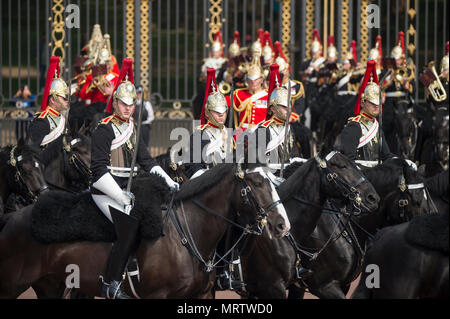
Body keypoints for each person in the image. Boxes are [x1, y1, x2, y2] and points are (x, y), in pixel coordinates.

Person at [90, 58, 179, 299]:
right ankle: (110, 283)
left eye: (131, 104)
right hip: (105, 191)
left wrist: (168, 181)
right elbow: (97, 171)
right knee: (128, 227)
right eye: (123, 104)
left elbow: (146, 162)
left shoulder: (132, 127)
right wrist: (120, 196)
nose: (128, 108)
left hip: (128, 187)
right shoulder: (104, 129)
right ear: (115, 103)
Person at [334, 60, 394, 164]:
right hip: (360, 176)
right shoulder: (354, 126)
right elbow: (348, 161)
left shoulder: (376, 125)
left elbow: (386, 155)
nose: (376, 106)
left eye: (378, 103)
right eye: (372, 103)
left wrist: (402, 162)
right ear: (362, 103)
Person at [184, 68, 233, 179]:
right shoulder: (199, 135)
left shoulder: (229, 134)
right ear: (207, 113)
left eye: (224, 111)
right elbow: (193, 167)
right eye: (216, 112)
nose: (221, 115)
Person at [26, 56, 69, 150]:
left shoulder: (62, 119)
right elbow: (31, 153)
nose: (67, 101)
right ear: (52, 100)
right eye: (64, 98)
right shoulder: (41, 122)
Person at [232, 49, 268, 130]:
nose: (253, 83)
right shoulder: (239, 94)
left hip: (261, 132)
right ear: (247, 81)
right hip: (243, 131)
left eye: (256, 80)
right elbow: (224, 104)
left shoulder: (268, 95)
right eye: (250, 80)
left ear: (261, 80)